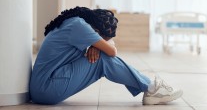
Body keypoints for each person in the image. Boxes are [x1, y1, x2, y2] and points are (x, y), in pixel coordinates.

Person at [29, 6, 183, 105]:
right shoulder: (79, 26)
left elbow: (110, 45)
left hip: (44, 87)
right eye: (102, 38)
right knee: (102, 60)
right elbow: (112, 52)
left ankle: (149, 88)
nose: (103, 41)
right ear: (95, 31)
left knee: (101, 55)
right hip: (47, 89)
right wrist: (100, 47)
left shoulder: (75, 22)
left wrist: (96, 46)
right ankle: (151, 88)